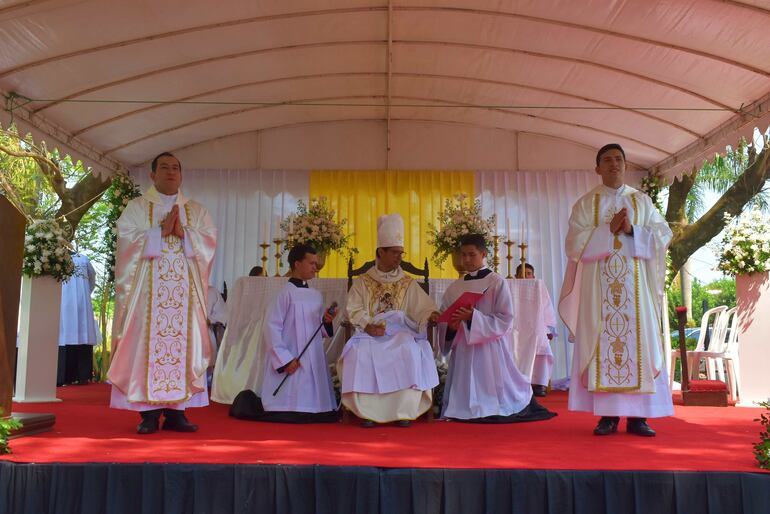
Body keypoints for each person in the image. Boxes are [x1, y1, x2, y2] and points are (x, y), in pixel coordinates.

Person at [559, 143, 673, 437]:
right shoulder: (586, 203)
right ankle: (608, 416)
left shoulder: (642, 202)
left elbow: (662, 235)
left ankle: (639, 418)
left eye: (619, 160)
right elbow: (573, 244)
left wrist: (633, 230)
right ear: (597, 168)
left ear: (626, 165)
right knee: (602, 344)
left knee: (640, 344)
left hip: (636, 289)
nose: (614, 164)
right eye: (607, 160)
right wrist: (606, 231)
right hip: (600, 291)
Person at [108, 152, 217, 434]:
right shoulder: (136, 207)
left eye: (176, 168)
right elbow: (126, 240)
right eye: (165, 167)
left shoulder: (196, 210)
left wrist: (184, 234)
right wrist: (158, 231)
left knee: (183, 346)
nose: (171, 172)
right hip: (148, 299)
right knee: (146, 347)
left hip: (184, 298)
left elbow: (208, 241)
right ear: (152, 175)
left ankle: (177, 412)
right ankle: (148, 414)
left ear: (181, 175)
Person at [437, 234, 555, 422]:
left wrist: (472, 318)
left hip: (489, 350)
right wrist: (450, 326)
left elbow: (505, 318)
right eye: (463, 255)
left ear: (483, 254)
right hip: (464, 351)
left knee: (491, 395)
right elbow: (444, 318)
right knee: (463, 400)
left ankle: (490, 403)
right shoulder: (455, 287)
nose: (466, 260)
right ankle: (463, 407)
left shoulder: (496, 282)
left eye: (471, 254)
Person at [338, 213, 439, 427]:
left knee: (410, 350)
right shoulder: (362, 282)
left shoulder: (407, 282)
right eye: (394, 253)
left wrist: (431, 315)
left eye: (401, 253)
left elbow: (424, 307)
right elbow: (352, 309)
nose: (399, 258)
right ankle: (366, 411)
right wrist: (368, 324)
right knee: (359, 352)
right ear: (380, 252)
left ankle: (403, 411)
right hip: (370, 334)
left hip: (400, 333)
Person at [230, 244, 339, 423]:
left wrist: (326, 321)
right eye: (311, 263)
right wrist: (285, 360)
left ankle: (315, 406)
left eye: (316, 263)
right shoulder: (283, 294)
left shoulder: (316, 295)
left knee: (319, 410)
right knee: (289, 407)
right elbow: (271, 328)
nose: (315, 267)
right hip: (292, 358)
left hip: (313, 357)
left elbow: (318, 331)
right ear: (297, 263)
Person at [57, 251, 99, 385]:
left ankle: (73, 376)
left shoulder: (83, 259)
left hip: (74, 303)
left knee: (77, 333)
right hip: (73, 303)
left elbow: (91, 279)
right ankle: (79, 376)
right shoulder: (56, 257)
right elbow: (92, 282)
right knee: (70, 334)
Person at [514, 263, 555, 397]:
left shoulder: (538, 287)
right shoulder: (511, 287)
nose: (525, 277)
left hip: (536, 327)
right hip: (516, 329)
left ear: (534, 276)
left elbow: (547, 307)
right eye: (521, 274)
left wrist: (549, 329)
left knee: (542, 348)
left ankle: (539, 384)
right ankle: (516, 383)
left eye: (528, 274)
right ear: (515, 276)